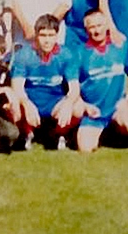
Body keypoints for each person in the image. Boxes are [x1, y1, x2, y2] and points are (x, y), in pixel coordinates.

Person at [11, 14, 81, 151]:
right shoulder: (24, 54)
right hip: (30, 101)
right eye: (43, 35)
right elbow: (17, 88)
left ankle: (58, 134)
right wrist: (26, 104)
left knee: (78, 107)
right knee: (11, 103)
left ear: (57, 36)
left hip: (54, 102)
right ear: (36, 35)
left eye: (51, 35)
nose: (47, 40)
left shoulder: (66, 54)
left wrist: (68, 103)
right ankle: (26, 133)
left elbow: (75, 89)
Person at [74, 9, 128, 153]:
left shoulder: (120, 46)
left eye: (99, 25)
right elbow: (71, 86)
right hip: (94, 112)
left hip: (117, 108)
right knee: (85, 149)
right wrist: (84, 106)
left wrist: (127, 100)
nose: (97, 31)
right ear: (86, 30)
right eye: (92, 27)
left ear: (107, 25)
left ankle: (111, 133)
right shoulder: (79, 53)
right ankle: (95, 133)